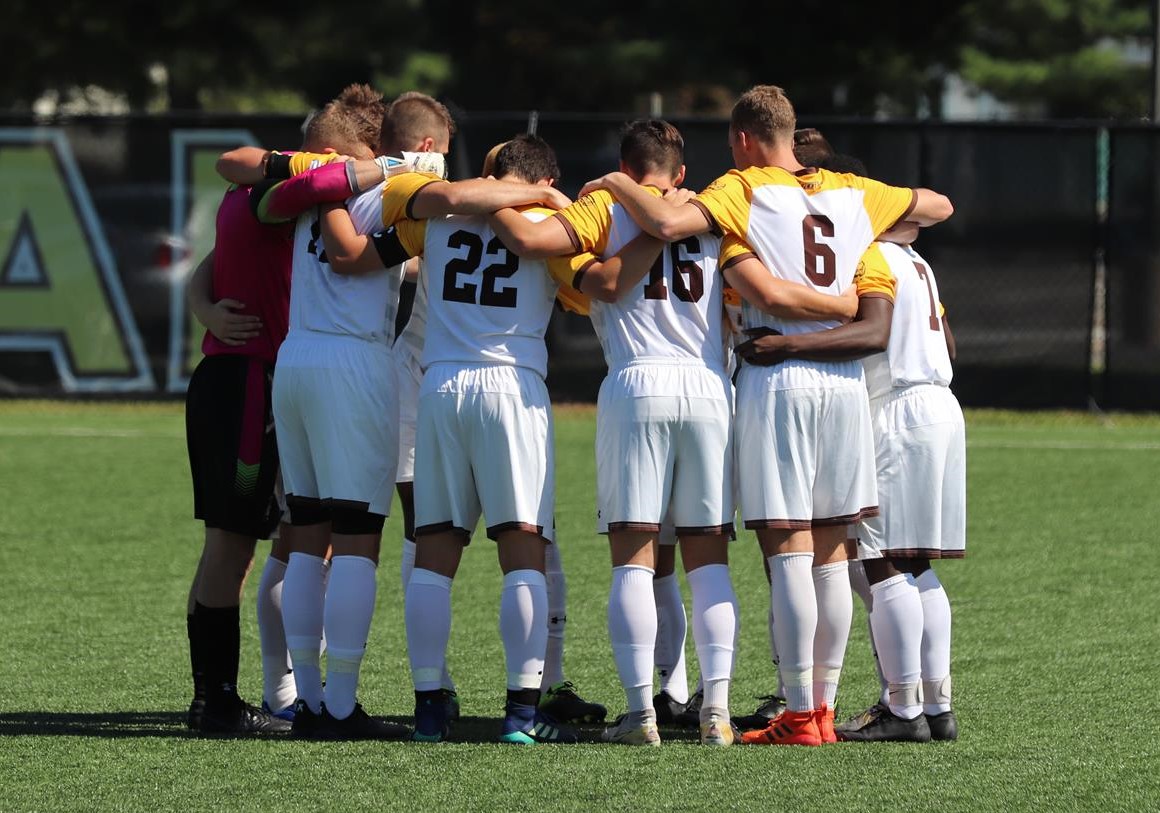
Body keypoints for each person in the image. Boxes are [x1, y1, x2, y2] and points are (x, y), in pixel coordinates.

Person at [574, 86, 952, 746]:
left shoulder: (740, 188)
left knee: (789, 554)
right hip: (845, 386)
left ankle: (799, 711)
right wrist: (875, 241)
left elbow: (668, 227)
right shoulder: (852, 190)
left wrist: (610, 183)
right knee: (835, 554)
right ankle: (825, 711)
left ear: (745, 140)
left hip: (776, 376)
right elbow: (938, 205)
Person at [490, 119, 859, 746]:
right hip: (710, 388)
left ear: (625, 164)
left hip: (637, 385)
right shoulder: (713, 212)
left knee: (633, 558)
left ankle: (640, 716)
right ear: (679, 172)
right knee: (708, 559)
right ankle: (715, 711)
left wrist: (516, 194)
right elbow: (754, 289)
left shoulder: (605, 205)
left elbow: (534, 241)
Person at [316, 134, 592, 743]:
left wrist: (323, 191)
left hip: (440, 384)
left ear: (497, 172)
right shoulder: (553, 224)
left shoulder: (437, 214)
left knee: (434, 553)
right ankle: (521, 714)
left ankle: (429, 710)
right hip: (512, 388)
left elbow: (357, 257)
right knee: (523, 550)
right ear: (544, 179)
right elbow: (590, 293)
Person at [182, 84, 387, 735]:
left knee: (276, 540)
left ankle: (246, 694)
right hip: (247, 386)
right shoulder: (285, 194)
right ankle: (217, 700)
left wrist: (203, 307)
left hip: (245, 378)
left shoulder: (258, 192)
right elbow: (286, 177)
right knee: (235, 542)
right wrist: (413, 167)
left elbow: (209, 263)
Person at [737, 194, 963, 742]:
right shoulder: (917, 260)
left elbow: (871, 333)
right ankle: (937, 703)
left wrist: (788, 346)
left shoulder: (873, 256)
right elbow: (948, 342)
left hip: (895, 409)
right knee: (916, 563)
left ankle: (903, 709)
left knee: (881, 564)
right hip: (939, 403)